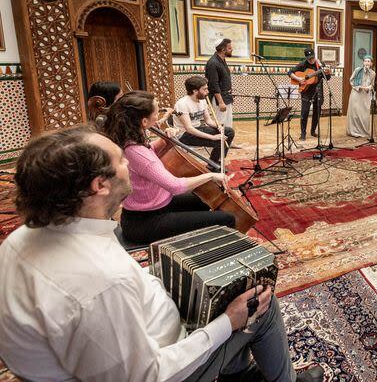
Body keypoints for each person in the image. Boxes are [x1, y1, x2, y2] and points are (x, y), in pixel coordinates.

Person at [0, 125, 323, 382]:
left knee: (232, 283)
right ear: (99, 185)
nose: (130, 165)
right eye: (121, 161)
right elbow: (149, 375)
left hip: (133, 337)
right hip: (169, 363)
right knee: (261, 302)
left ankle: (237, 372)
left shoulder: (23, 238)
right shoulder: (102, 281)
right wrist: (227, 322)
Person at [101, 90, 237, 244]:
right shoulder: (136, 151)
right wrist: (211, 175)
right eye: (157, 112)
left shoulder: (128, 140)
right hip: (146, 222)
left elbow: (148, 152)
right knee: (227, 218)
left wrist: (165, 140)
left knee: (206, 199)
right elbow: (175, 186)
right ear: (144, 122)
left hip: (154, 205)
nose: (159, 115)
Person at [174, 75, 235, 167]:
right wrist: (212, 137)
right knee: (219, 141)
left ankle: (215, 160)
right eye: (204, 89)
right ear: (195, 91)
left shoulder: (202, 100)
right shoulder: (182, 104)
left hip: (198, 128)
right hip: (184, 134)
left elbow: (208, 121)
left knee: (229, 132)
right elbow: (189, 129)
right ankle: (213, 164)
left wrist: (218, 126)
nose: (207, 91)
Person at [289, 48, 332, 141]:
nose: (311, 60)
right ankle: (303, 133)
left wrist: (328, 73)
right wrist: (299, 79)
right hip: (306, 92)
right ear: (306, 58)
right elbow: (290, 72)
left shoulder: (320, 65)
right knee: (304, 112)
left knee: (317, 112)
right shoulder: (303, 64)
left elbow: (327, 78)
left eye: (312, 57)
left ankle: (313, 131)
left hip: (318, 91)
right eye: (309, 58)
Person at [206, 38, 234, 128]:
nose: (232, 49)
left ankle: (227, 141)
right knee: (220, 123)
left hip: (226, 97)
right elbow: (213, 84)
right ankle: (219, 142)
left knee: (228, 122)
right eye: (230, 48)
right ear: (223, 50)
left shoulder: (221, 60)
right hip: (220, 99)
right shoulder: (213, 63)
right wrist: (221, 102)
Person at [346, 55, 376, 138]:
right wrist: (357, 87)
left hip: (366, 95)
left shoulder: (373, 73)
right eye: (365, 61)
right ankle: (353, 131)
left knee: (364, 114)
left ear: (371, 63)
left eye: (368, 61)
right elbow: (351, 80)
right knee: (355, 113)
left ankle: (363, 131)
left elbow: (372, 84)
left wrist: (369, 87)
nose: (367, 63)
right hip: (356, 94)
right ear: (363, 62)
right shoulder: (357, 70)